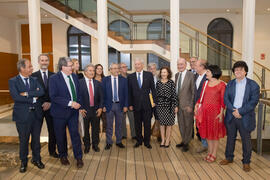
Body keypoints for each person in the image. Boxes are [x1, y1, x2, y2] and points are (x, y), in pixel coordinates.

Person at [220, 61, 260, 172]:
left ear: (245, 71)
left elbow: (253, 102)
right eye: (236, 70)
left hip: (245, 116)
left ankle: (246, 162)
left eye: (240, 69)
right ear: (234, 72)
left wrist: (240, 111)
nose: (238, 71)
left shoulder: (253, 85)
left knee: (246, 140)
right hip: (231, 115)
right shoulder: (230, 84)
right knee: (230, 138)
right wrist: (233, 110)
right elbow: (226, 99)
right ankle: (229, 157)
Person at [9, 59, 45, 173]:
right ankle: (23, 162)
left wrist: (28, 94)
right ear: (22, 68)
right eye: (29, 67)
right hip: (22, 116)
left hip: (36, 115)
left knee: (36, 139)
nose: (32, 68)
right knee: (23, 140)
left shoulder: (34, 79)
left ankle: (36, 159)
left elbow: (41, 92)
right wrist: (34, 98)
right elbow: (17, 97)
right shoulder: (13, 81)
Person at [49, 57, 84, 168]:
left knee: (75, 135)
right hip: (59, 114)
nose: (72, 67)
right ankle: (63, 156)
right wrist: (70, 103)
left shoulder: (74, 76)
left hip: (73, 113)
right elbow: (53, 97)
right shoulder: (53, 79)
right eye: (70, 65)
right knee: (61, 136)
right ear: (63, 67)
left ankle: (79, 157)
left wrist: (78, 104)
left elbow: (78, 92)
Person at [195, 65, 226, 163]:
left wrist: (221, 113)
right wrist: (197, 104)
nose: (206, 73)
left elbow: (223, 101)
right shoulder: (205, 83)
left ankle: (214, 154)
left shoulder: (221, 85)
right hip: (205, 113)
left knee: (214, 135)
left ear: (213, 72)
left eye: (207, 71)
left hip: (215, 113)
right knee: (208, 134)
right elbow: (202, 97)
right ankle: (209, 152)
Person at [31, 54, 59, 158]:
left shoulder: (54, 75)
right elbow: (33, 92)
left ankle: (52, 151)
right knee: (36, 132)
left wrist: (50, 103)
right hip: (38, 108)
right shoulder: (33, 76)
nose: (44, 62)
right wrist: (42, 102)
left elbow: (57, 92)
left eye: (46, 60)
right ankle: (36, 154)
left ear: (49, 61)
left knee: (53, 131)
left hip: (51, 107)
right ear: (39, 62)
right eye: (42, 60)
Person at [128, 58, 156, 149]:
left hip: (147, 105)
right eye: (135, 64)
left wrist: (154, 102)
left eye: (138, 64)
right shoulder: (130, 76)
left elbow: (153, 89)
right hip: (136, 105)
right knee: (137, 125)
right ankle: (139, 140)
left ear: (142, 65)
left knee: (147, 124)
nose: (137, 66)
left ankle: (147, 141)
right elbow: (129, 92)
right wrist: (130, 104)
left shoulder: (149, 75)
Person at [102, 63, 128, 150]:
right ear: (110, 70)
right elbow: (102, 94)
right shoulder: (105, 80)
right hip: (109, 106)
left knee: (119, 125)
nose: (117, 70)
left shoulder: (123, 80)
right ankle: (109, 142)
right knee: (109, 125)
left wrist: (125, 105)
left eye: (117, 68)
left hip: (120, 105)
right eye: (114, 68)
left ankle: (119, 141)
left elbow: (126, 94)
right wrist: (103, 105)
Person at [79, 64, 103, 153]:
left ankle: (95, 145)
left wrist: (100, 108)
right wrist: (80, 108)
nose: (92, 72)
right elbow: (77, 97)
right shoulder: (79, 83)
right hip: (84, 110)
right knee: (85, 129)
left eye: (93, 70)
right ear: (85, 72)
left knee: (95, 129)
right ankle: (87, 145)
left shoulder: (98, 83)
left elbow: (102, 97)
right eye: (90, 70)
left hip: (96, 110)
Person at [175, 58, 195, 152]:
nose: (180, 66)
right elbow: (176, 92)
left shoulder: (191, 75)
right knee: (181, 125)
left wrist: (191, 105)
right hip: (178, 106)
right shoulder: (176, 75)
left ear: (186, 64)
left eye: (181, 64)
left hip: (187, 106)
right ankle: (183, 140)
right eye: (178, 64)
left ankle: (187, 143)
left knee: (188, 125)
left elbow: (193, 92)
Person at [156, 67, 178, 148]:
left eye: (165, 72)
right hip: (160, 106)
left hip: (170, 106)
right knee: (161, 124)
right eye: (162, 72)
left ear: (168, 73)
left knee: (169, 124)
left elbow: (174, 95)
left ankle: (168, 140)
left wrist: (176, 106)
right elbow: (156, 95)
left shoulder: (171, 82)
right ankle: (163, 140)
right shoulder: (158, 83)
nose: (163, 74)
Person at [194, 59, 208, 153]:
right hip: (197, 106)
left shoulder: (208, 77)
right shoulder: (196, 76)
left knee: (205, 126)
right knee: (199, 126)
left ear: (202, 67)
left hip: (205, 107)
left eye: (196, 65)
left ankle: (206, 145)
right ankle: (204, 144)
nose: (195, 67)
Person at [119, 62, 136, 139]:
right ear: (119, 69)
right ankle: (123, 134)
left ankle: (134, 135)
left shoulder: (131, 76)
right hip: (121, 103)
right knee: (122, 120)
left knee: (132, 119)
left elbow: (133, 90)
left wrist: (132, 103)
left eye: (126, 66)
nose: (125, 68)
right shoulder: (117, 78)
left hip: (131, 103)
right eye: (123, 67)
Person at [147, 63, 162, 142]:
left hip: (158, 102)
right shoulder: (145, 77)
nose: (152, 70)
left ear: (156, 69)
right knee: (147, 119)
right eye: (150, 68)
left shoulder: (159, 78)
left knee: (158, 118)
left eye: (154, 68)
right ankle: (147, 135)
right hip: (148, 101)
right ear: (148, 69)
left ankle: (159, 135)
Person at [95, 64, 106, 132]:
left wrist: (104, 105)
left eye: (101, 69)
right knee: (96, 124)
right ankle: (96, 139)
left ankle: (106, 140)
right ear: (95, 70)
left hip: (103, 103)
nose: (99, 70)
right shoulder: (91, 79)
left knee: (105, 124)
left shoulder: (105, 79)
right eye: (98, 68)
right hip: (94, 104)